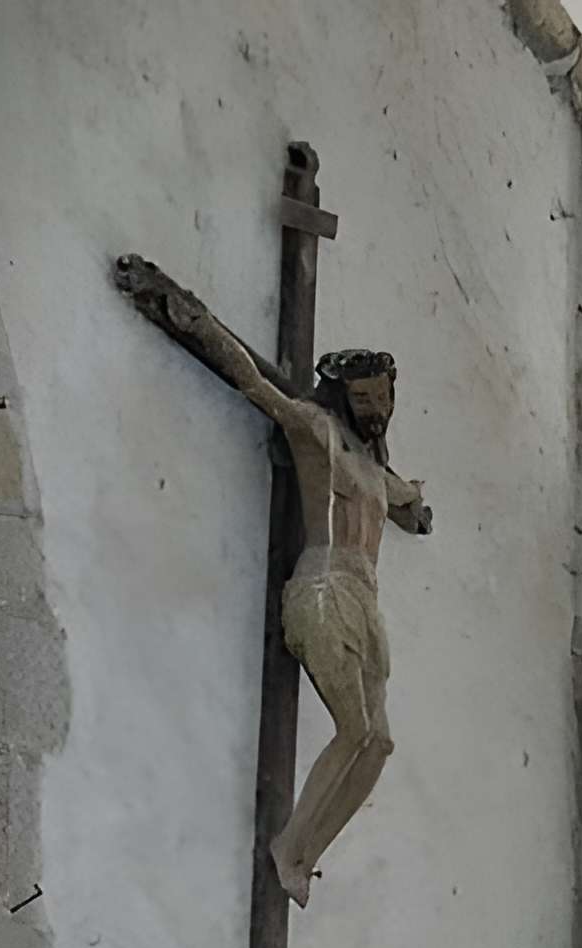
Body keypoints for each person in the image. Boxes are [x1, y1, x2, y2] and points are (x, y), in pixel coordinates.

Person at [114, 255, 430, 902]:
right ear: (343, 398)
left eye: (384, 398)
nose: (375, 408)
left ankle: (303, 849)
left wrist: (419, 511)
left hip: (365, 601)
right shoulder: (319, 433)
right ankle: (290, 847)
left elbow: (407, 500)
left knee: (380, 744)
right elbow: (261, 388)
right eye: (364, 398)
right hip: (323, 589)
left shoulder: (377, 474)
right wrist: (197, 325)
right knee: (354, 729)